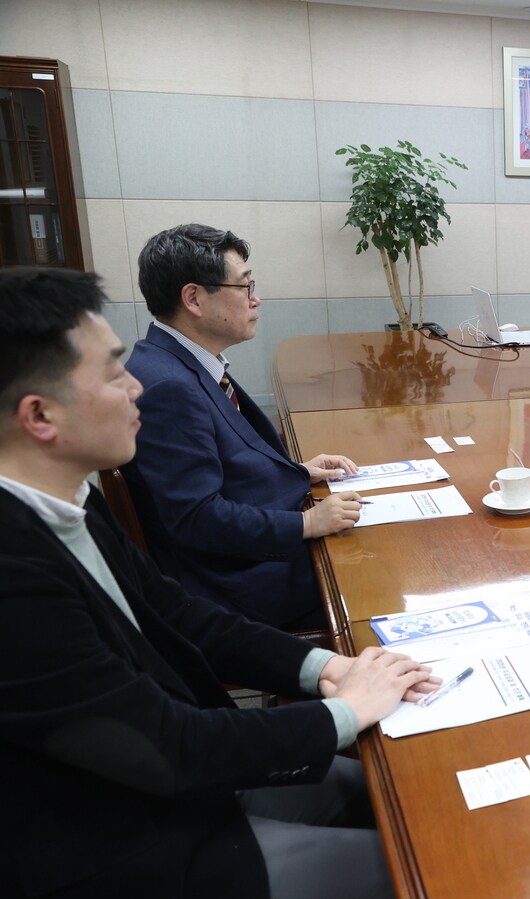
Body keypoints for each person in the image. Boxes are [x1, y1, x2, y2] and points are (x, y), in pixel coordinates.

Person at [0, 266, 439, 899]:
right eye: (115, 373)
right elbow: (161, 746)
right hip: (125, 856)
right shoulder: (12, 572)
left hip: (174, 782)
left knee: (401, 797)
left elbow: (177, 611)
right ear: (40, 415)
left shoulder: (67, 497)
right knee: (424, 877)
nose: (137, 385)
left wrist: (324, 669)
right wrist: (347, 711)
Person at [124, 223, 364, 631]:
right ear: (194, 298)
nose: (257, 300)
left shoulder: (178, 360)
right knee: (381, 564)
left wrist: (298, 471)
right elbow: (197, 518)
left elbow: (223, 462)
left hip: (246, 559)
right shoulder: (167, 388)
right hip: (235, 585)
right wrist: (306, 523)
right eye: (245, 288)